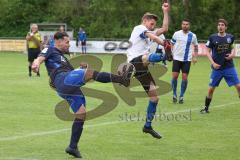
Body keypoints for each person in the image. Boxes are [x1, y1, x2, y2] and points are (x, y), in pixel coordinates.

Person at [31, 31, 133, 158]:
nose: (69, 45)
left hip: (67, 86)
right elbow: (41, 57)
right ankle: (122, 79)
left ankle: (72, 147)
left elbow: (80, 76)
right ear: (58, 41)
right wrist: (36, 64)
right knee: (89, 73)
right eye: (67, 42)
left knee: (81, 113)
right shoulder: (50, 49)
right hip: (63, 80)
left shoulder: (64, 59)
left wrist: (80, 69)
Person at [126, 2, 170, 139]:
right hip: (134, 62)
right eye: (151, 23)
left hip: (142, 67)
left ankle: (147, 126)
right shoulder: (139, 28)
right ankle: (164, 56)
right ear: (144, 21)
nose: (153, 26)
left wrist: (165, 11)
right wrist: (165, 44)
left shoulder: (150, 30)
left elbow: (164, 28)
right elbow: (153, 37)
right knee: (146, 57)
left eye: (153, 24)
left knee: (154, 98)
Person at [200, 19, 240, 113]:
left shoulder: (230, 37)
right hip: (216, 69)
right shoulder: (212, 37)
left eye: (222, 25)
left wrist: (232, 55)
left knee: (238, 87)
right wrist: (213, 63)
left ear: (226, 27)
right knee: (210, 90)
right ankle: (206, 108)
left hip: (229, 67)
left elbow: (233, 48)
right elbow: (207, 51)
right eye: (219, 25)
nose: (220, 26)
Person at [170, 19, 198, 104]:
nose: (185, 26)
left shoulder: (193, 36)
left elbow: (196, 47)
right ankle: (174, 94)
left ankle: (181, 96)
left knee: (185, 77)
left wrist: (195, 57)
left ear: (189, 26)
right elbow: (172, 43)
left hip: (187, 59)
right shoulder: (176, 34)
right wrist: (171, 52)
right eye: (183, 24)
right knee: (175, 76)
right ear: (181, 25)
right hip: (177, 58)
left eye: (187, 24)